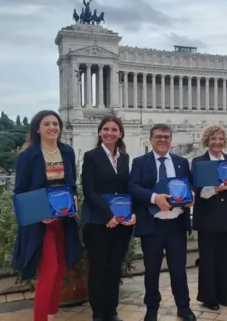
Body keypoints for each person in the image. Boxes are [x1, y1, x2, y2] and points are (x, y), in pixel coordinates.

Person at [11, 110, 81, 321]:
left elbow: (72, 184)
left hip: (63, 219)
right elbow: (20, 192)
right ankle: (40, 318)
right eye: (46, 124)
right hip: (41, 222)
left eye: (55, 123)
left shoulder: (67, 152)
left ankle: (51, 314)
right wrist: (39, 214)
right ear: (38, 129)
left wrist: (74, 199)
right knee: (49, 269)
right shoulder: (28, 156)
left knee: (61, 267)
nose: (52, 127)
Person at [128, 124, 196, 321]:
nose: (163, 140)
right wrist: (154, 197)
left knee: (178, 269)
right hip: (153, 225)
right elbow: (133, 187)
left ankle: (183, 306)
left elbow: (189, 186)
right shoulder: (140, 162)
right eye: (158, 136)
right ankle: (152, 309)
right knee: (152, 270)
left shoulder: (181, 162)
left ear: (171, 140)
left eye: (166, 136)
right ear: (151, 140)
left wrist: (191, 196)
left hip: (176, 224)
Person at [81, 115, 136, 321]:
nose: (110, 133)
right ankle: (98, 312)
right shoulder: (91, 156)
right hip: (98, 222)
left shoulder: (124, 157)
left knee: (114, 268)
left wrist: (129, 214)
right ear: (100, 132)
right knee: (98, 269)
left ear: (120, 133)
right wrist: (107, 215)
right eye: (106, 129)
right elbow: (89, 190)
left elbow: (125, 189)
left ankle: (111, 311)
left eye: (114, 129)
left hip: (120, 223)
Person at [191, 125, 227, 310]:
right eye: (213, 138)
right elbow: (200, 193)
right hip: (207, 219)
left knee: (226, 259)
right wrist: (216, 188)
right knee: (208, 260)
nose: (217, 142)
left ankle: (225, 296)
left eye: (220, 139)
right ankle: (209, 298)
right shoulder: (199, 162)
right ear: (207, 140)